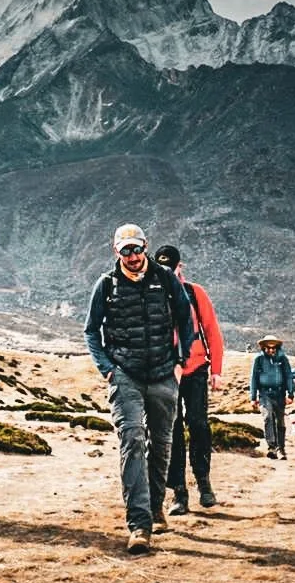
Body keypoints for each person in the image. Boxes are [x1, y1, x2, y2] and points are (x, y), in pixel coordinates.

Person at [85, 223, 196, 554]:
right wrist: (107, 369)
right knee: (132, 439)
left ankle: (156, 506)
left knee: (161, 444)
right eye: (125, 251)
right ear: (115, 251)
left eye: (137, 249)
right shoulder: (106, 285)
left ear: (145, 246)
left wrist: (180, 360)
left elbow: (185, 319)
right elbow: (91, 331)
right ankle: (139, 524)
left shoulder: (165, 279)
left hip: (163, 374)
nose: (132, 256)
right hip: (125, 375)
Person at [152, 243, 224, 514]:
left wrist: (216, 370)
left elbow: (212, 330)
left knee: (199, 424)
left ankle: (204, 483)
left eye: (171, 267)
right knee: (171, 430)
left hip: (195, 368)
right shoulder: (152, 294)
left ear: (179, 267)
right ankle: (179, 493)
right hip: (166, 372)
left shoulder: (195, 293)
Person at [250, 336, 294, 460]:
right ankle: (272, 447)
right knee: (267, 417)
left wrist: (290, 393)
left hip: (279, 394)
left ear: (277, 347)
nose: (270, 350)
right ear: (263, 347)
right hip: (264, 394)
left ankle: (281, 449)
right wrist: (253, 397)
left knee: (280, 421)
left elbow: (288, 376)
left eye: (273, 348)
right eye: (267, 348)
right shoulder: (258, 359)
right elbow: (253, 378)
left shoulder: (282, 359)